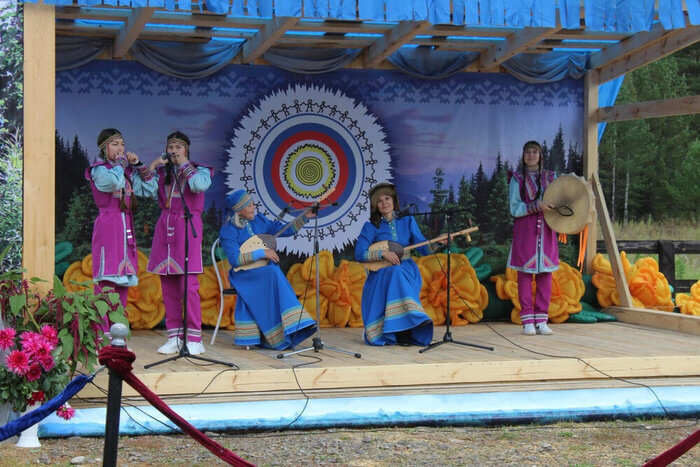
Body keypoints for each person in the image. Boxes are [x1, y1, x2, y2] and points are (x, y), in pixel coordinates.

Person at [219, 190, 317, 350]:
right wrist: (262, 253)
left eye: (253, 204)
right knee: (272, 271)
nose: (254, 207)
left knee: (272, 268)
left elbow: (284, 230)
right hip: (243, 275)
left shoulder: (260, 221)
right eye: (249, 205)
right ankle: (292, 324)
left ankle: (290, 327)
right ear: (239, 210)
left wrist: (305, 217)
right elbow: (235, 259)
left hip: (263, 270)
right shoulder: (228, 230)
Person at [85, 128, 157, 339]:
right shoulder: (99, 170)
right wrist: (122, 164)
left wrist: (139, 165)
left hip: (126, 226)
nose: (120, 148)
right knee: (106, 282)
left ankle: (118, 336)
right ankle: (101, 336)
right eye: (115, 144)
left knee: (122, 282)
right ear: (104, 148)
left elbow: (151, 188)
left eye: (122, 144)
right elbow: (111, 183)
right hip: (108, 226)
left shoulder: (124, 172)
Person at [146, 131, 213, 355]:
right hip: (165, 228)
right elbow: (143, 190)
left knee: (188, 286)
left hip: (187, 226)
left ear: (186, 150)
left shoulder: (200, 170)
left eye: (178, 147)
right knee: (169, 286)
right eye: (171, 147)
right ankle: (174, 337)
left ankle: (194, 338)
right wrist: (153, 165)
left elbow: (199, 186)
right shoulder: (163, 173)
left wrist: (184, 164)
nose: (174, 151)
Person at [354, 183, 433, 346]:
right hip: (382, 273)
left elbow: (423, 248)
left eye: (387, 198)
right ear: (375, 205)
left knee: (398, 272)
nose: (384, 203)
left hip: (407, 269)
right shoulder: (371, 226)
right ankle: (406, 329)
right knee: (395, 273)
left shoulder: (408, 220)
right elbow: (359, 253)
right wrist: (382, 253)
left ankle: (409, 325)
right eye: (379, 200)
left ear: (394, 200)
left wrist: (438, 243)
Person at [507, 140, 559, 336]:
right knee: (525, 275)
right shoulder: (517, 179)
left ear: (540, 155)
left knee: (546, 275)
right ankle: (528, 320)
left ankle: (542, 320)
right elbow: (515, 208)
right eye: (527, 152)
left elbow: (559, 200)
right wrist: (537, 205)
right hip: (526, 231)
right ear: (523, 155)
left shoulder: (551, 178)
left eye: (535, 152)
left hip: (547, 230)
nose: (531, 155)